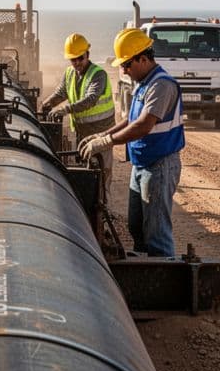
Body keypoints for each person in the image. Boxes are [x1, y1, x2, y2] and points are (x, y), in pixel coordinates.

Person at [78, 28, 184, 257]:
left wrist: (108, 142)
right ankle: (145, 266)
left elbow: (144, 124)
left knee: (156, 232)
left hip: (159, 166)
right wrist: (103, 134)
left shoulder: (161, 85)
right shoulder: (144, 83)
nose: (124, 71)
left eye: (127, 65)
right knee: (137, 227)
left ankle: (162, 274)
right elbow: (130, 119)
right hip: (143, 164)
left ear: (143, 59)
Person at [40, 33, 116, 195]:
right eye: (73, 60)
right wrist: (47, 104)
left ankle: (102, 209)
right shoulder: (69, 73)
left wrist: (65, 109)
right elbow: (61, 93)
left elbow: (91, 99)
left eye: (80, 58)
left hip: (102, 134)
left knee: (101, 173)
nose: (77, 63)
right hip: (82, 133)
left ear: (87, 54)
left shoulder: (98, 74)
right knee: (85, 170)